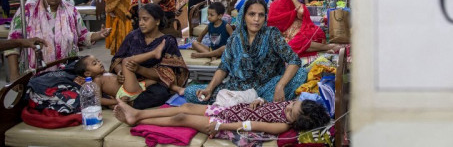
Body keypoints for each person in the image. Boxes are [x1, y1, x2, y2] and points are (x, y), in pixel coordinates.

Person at [183, 0, 307, 104]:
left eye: (261, 15)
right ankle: (251, 106)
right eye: (252, 14)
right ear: (243, 16)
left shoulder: (271, 34)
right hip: (236, 89)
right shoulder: (235, 39)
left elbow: (294, 60)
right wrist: (209, 88)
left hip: (265, 89)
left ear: (265, 17)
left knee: (301, 74)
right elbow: (223, 67)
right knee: (190, 92)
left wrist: (280, 86)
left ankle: (250, 105)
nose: (256, 19)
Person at [4, 0, 111, 82]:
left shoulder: (70, 11)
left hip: (67, 72)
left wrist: (99, 34)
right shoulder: (27, 12)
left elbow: (82, 36)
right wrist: (14, 73)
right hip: (34, 74)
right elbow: (13, 43)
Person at [113, 97, 330, 137]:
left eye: (292, 110)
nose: (288, 106)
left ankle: (138, 120)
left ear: (295, 122)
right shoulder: (289, 106)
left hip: (228, 124)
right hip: (229, 112)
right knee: (187, 105)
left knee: (182, 117)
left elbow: (250, 125)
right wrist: (260, 102)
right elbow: (265, 108)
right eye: (293, 103)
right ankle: (137, 113)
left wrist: (222, 126)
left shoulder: (283, 126)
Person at [110, 3, 189, 109]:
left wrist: (139, 69)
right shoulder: (133, 36)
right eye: (140, 19)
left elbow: (169, 74)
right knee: (101, 82)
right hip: (129, 80)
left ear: (157, 21)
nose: (141, 23)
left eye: (145, 19)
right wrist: (120, 72)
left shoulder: (167, 41)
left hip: (152, 82)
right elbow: (117, 59)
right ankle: (122, 100)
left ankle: (127, 103)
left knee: (160, 93)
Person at [74, 40, 182, 107]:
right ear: (87, 73)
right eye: (95, 63)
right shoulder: (97, 80)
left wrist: (120, 74)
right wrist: (117, 102)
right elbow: (98, 99)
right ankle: (154, 53)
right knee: (126, 61)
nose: (99, 63)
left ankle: (177, 89)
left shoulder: (104, 74)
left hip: (132, 87)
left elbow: (114, 79)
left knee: (158, 78)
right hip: (126, 92)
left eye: (98, 60)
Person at [268, 0, 339, 57]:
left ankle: (328, 47)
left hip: (312, 34)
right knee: (290, 47)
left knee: (297, 42)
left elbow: (302, 10)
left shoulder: (295, 14)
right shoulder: (278, 24)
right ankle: (325, 49)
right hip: (306, 43)